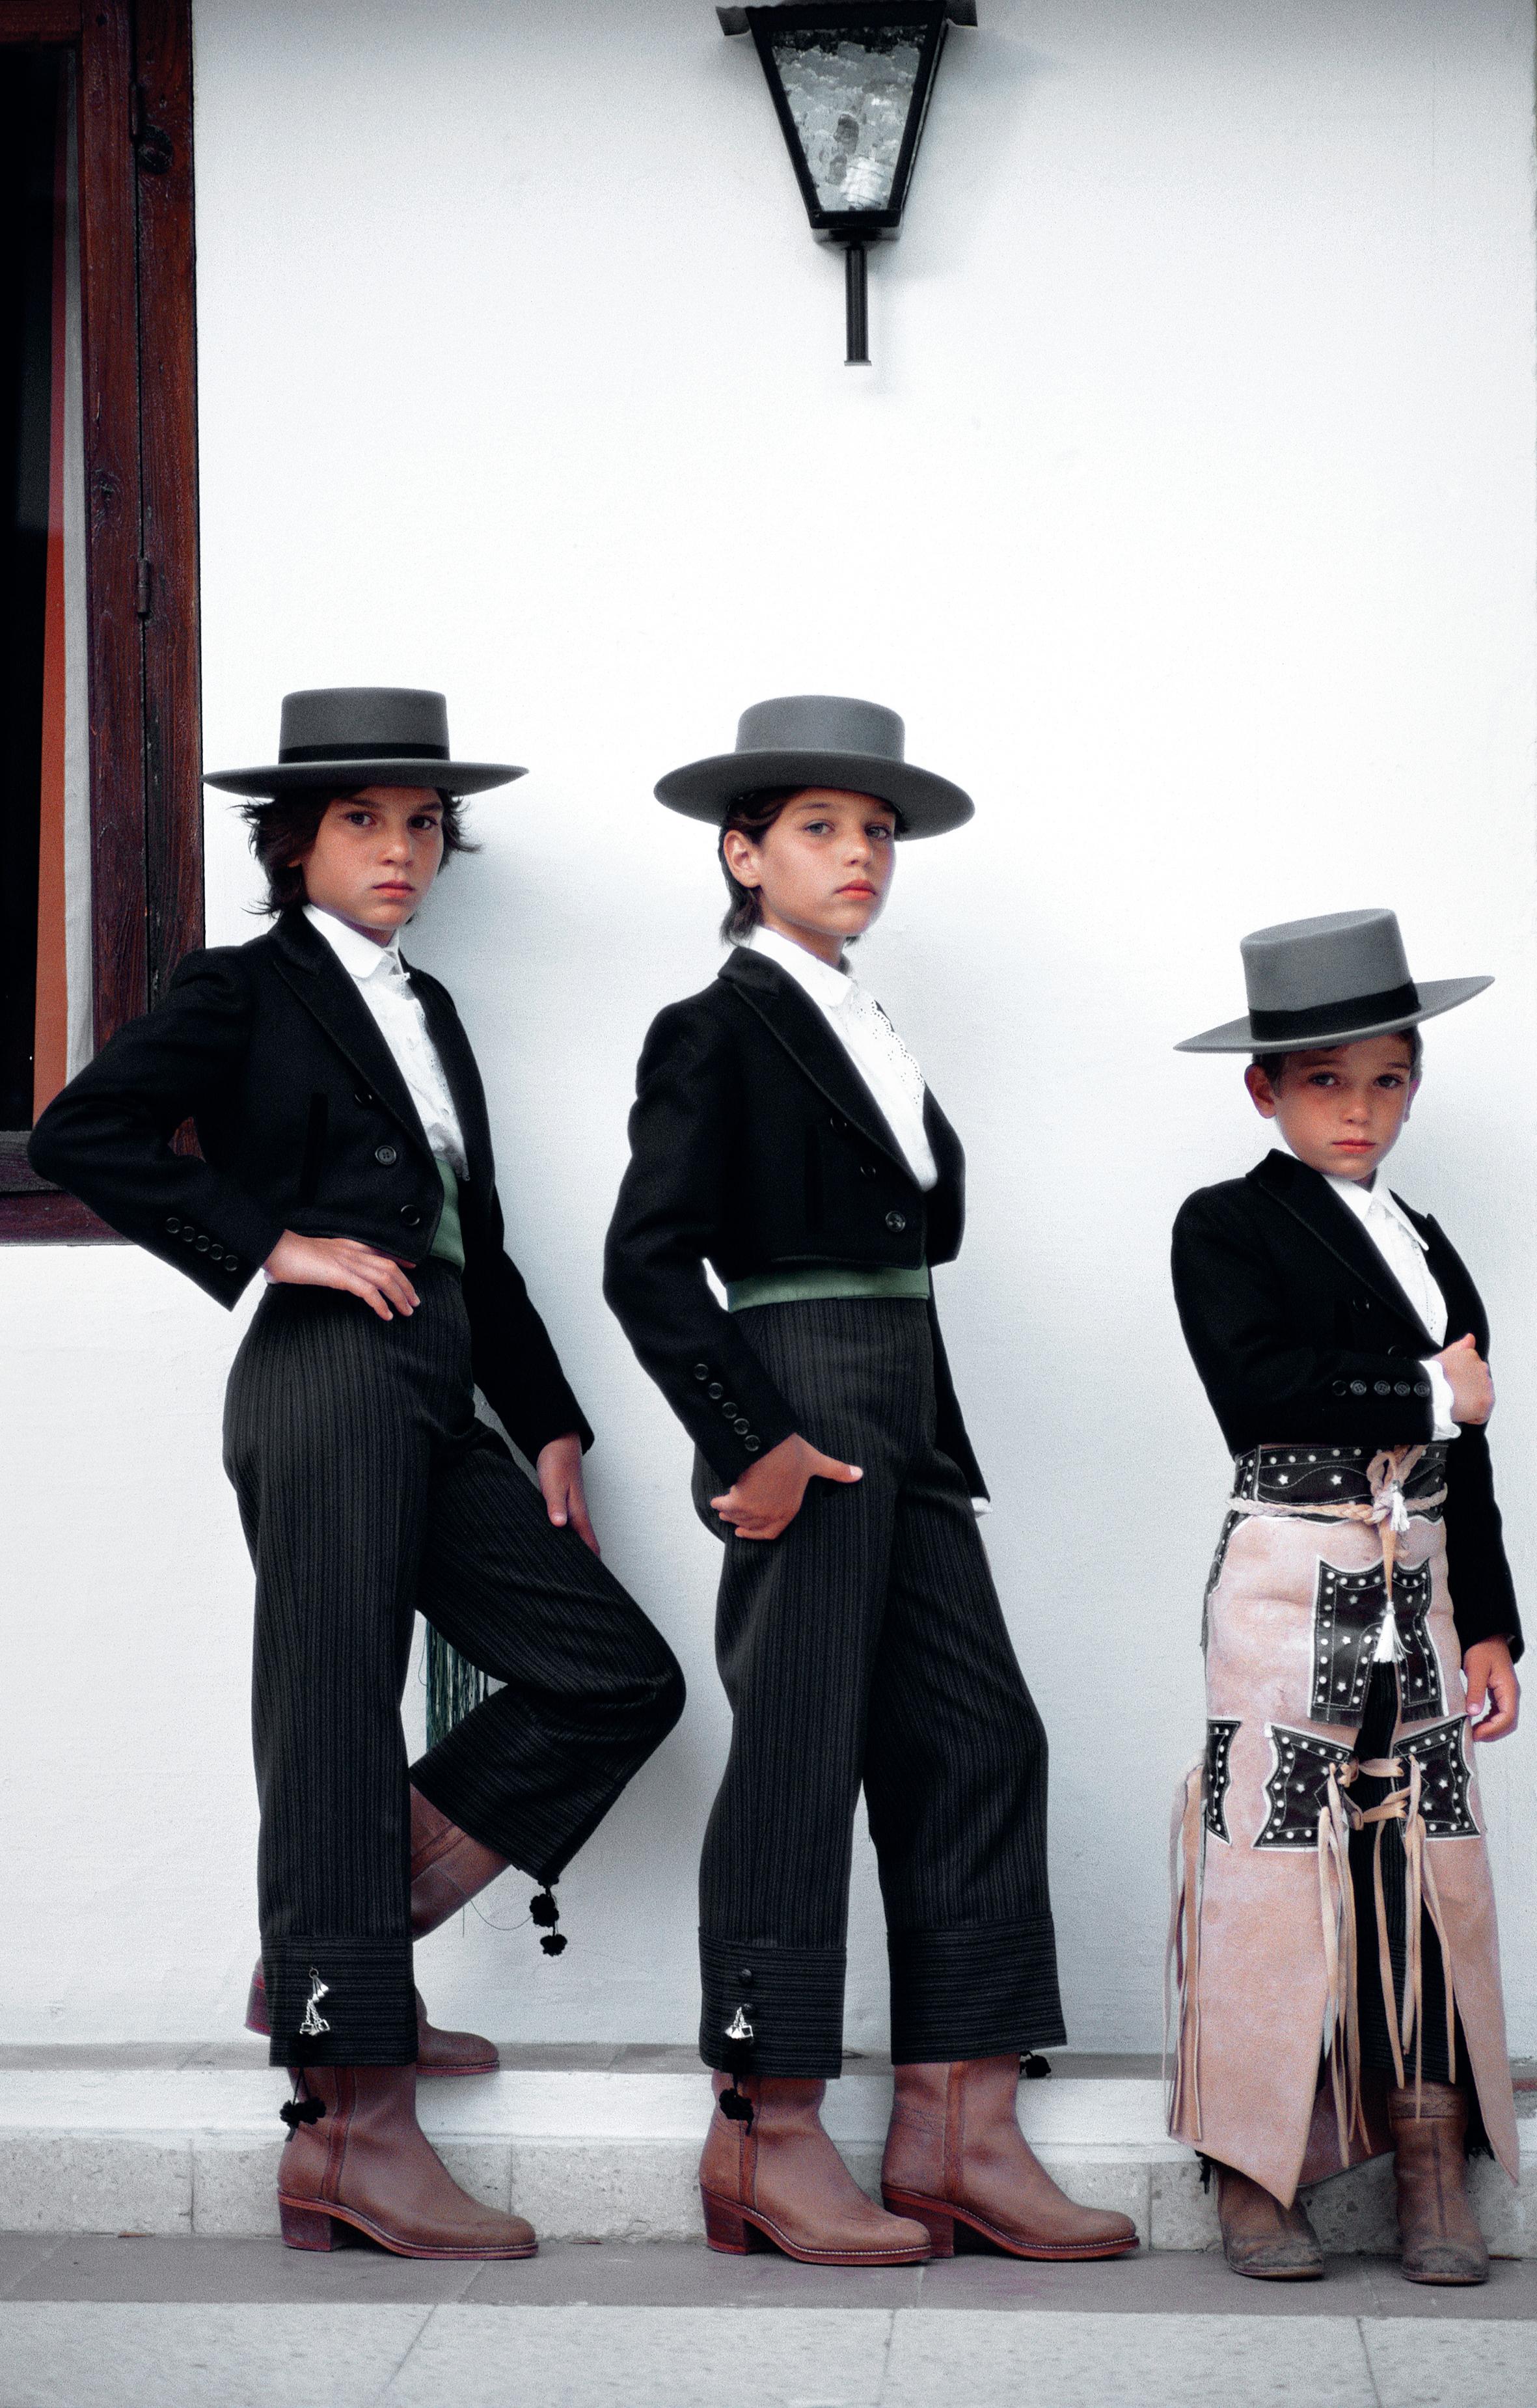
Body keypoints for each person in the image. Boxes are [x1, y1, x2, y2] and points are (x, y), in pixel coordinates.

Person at [29, 687, 685, 2260]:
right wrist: (274, 1244)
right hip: (322, 1385)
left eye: (421, 822)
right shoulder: (243, 987)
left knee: (609, 1674)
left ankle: (345, 1976)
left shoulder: (431, 1007)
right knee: (332, 1717)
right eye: (362, 821)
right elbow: (80, 1132)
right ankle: (350, 2125)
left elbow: (485, 1240)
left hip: (438, 1389)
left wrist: (551, 1422)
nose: (400, 848)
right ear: (294, 842)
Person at [603, 692, 1137, 2269]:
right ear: (741, 849)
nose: (859, 855)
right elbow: (644, 1264)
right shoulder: (713, 1023)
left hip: (910, 1405)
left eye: (877, 832)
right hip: (807, 1399)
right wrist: (747, 1438)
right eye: (821, 828)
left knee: (981, 1734)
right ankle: (765, 2129)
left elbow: (927, 1231)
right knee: (799, 1753)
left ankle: (956, 2126)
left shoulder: (864, 1019)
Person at [1168, 908, 1521, 2285]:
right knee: (1268, 1861)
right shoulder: (1226, 1224)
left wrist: (1489, 1619)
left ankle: (1432, 2155)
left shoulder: (1429, 1244)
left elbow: (1467, 1452)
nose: (1357, 1108)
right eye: (1323, 1080)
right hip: (1285, 1578)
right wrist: (1433, 1388)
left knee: (1428, 1864)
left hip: (1418, 1583)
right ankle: (1254, 2165)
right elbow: (1253, 1387)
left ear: (1412, 1081)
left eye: (1384, 1078)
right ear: (1264, 1087)